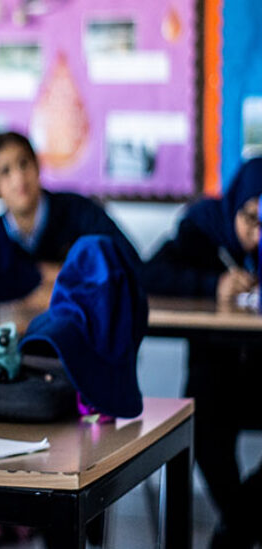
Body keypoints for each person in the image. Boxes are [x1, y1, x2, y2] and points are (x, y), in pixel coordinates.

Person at [142, 157, 262, 549]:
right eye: (251, 219)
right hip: (216, 376)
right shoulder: (201, 229)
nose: (258, 236)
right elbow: (149, 275)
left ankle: (236, 529)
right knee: (204, 430)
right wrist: (212, 285)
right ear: (235, 207)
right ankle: (241, 527)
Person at [0, 131, 139, 315]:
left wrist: (59, 274)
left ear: (38, 165)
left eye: (24, 164)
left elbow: (124, 260)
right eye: (5, 172)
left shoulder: (78, 211)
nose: (19, 178)